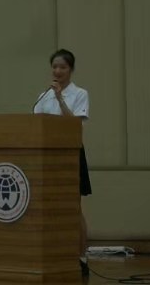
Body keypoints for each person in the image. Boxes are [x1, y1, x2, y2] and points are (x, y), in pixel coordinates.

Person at [33, 49, 91, 278]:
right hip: (46, 158)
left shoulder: (80, 94)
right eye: (55, 67)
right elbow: (34, 125)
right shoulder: (43, 95)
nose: (57, 71)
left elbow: (74, 126)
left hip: (71, 156)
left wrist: (60, 98)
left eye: (63, 67)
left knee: (74, 208)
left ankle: (81, 257)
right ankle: (55, 256)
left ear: (71, 70)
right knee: (49, 208)